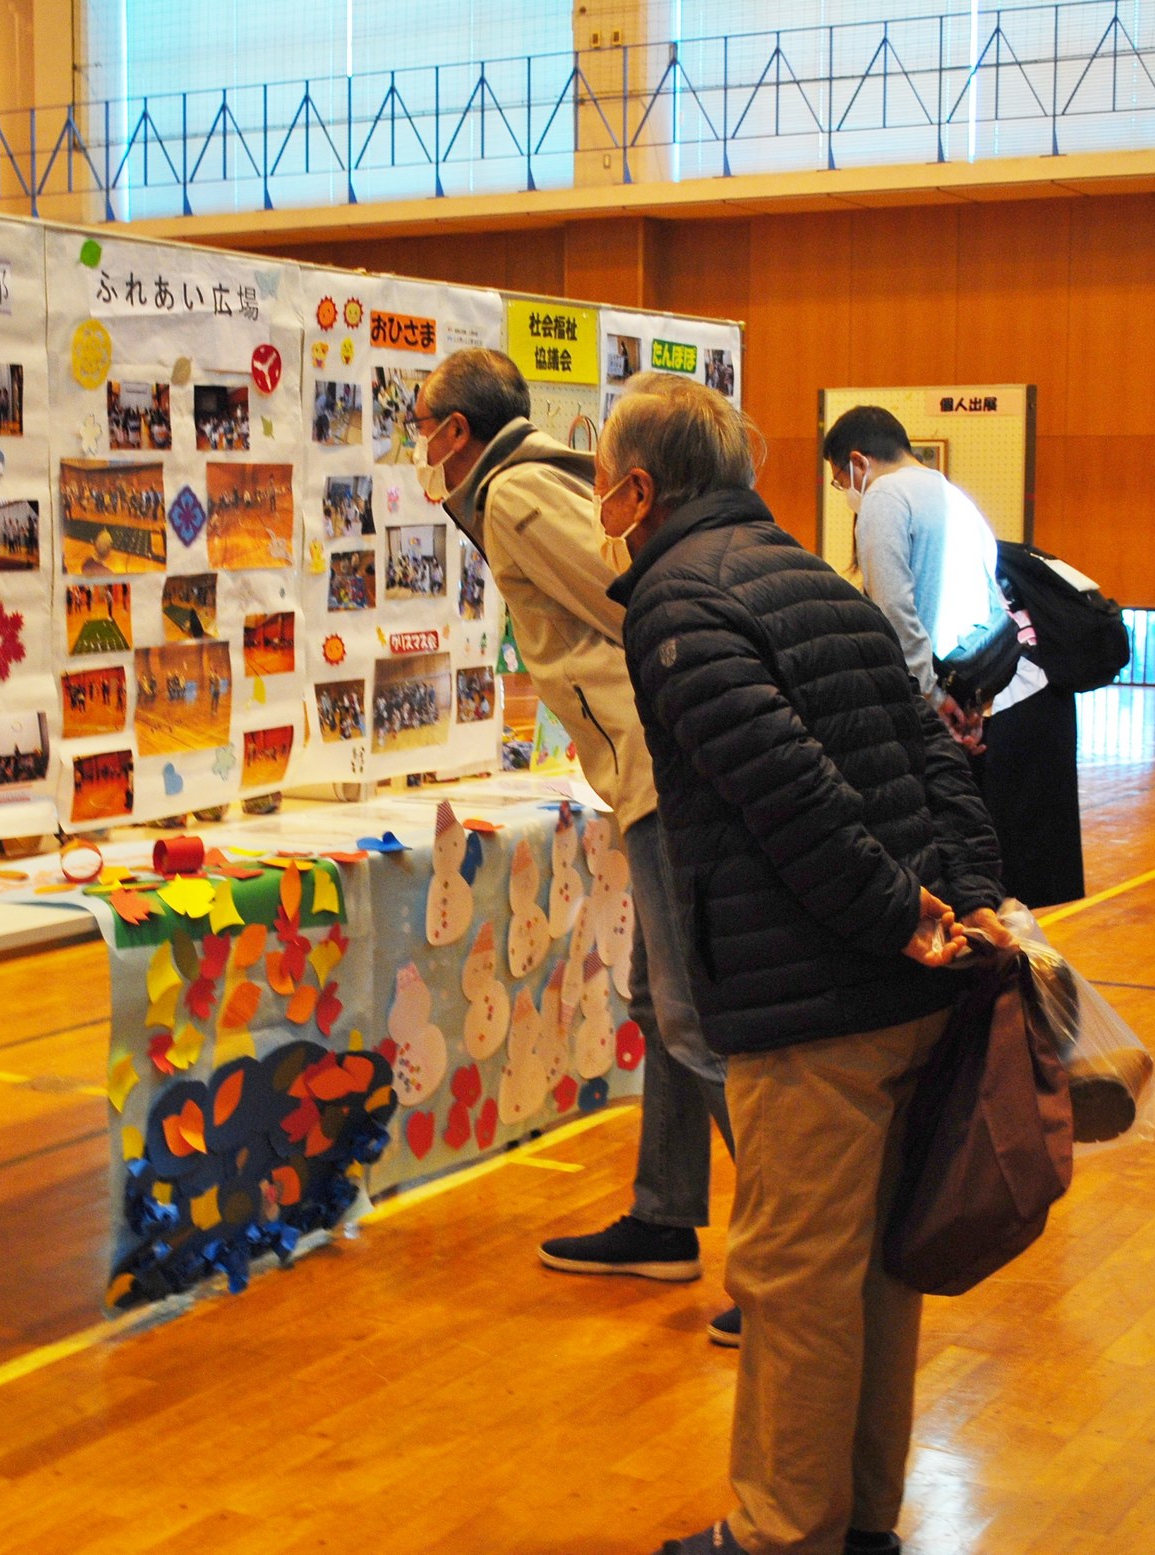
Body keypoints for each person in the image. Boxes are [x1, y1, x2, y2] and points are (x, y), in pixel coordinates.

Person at [604, 375, 1010, 1555]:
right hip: (901, 986)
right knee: (876, 1273)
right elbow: (934, 757)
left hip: (811, 1000)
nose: (597, 503)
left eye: (602, 482)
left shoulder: (676, 601)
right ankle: (856, 1521)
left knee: (793, 1280)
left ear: (640, 490)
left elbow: (785, 791)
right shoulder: (820, 583)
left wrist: (893, 913)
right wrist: (967, 900)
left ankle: (782, 1532)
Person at [418, 347, 740, 1343]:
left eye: (420, 426)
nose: (415, 447)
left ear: (455, 432)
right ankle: (665, 1216)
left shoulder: (514, 493)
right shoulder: (533, 476)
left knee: (692, 1017)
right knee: (660, 1002)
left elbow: (632, 596)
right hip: (649, 763)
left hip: (659, 762)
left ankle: (799, 1252)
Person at [823, 405, 1085, 907]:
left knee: (966, 875)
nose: (847, 493)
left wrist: (930, 697)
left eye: (841, 481)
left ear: (858, 462)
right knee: (1004, 879)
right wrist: (970, 702)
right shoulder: (955, 496)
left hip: (950, 703)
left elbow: (894, 611)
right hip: (1002, 696)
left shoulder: (884, 497)